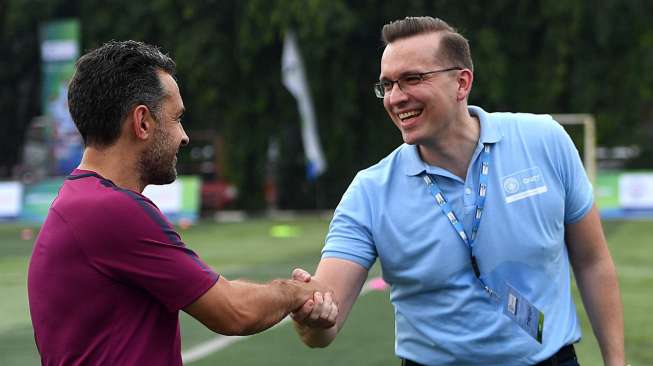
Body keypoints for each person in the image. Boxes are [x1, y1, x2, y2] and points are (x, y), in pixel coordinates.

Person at [291, 16, 625, 366]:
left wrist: (617, 362)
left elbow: (592, 260)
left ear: (461, 83)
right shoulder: (369, 191)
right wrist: (311, 317)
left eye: (412, 79)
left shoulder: (545, 141)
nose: (396, 98)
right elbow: (323, 324)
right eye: (387, 85)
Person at [27, 40, 337, 365]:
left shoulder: (82, 201)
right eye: (176, 119)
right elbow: (234, 311)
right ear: (142, 122)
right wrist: (298, 293)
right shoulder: (110, 210)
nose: (184, 136)